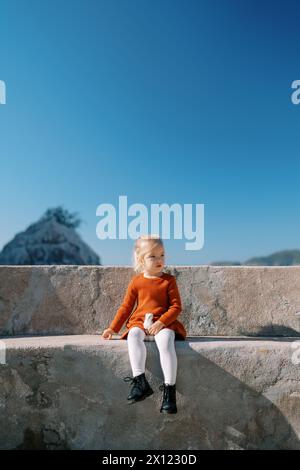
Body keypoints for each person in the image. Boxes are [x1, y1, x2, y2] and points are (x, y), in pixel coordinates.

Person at [101, 234, 187, 414]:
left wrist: (162, 322)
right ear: (141, 259)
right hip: (140, 322)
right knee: (133, 335)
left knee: (165, 341)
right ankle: (140, 381)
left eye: (162, 255)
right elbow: (126, 307)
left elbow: (176, 307)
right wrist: (113, 328)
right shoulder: (136, 282)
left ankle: (170, 391)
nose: (159, 260)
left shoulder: (168, 281)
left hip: (163, 324)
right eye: (153, 256)